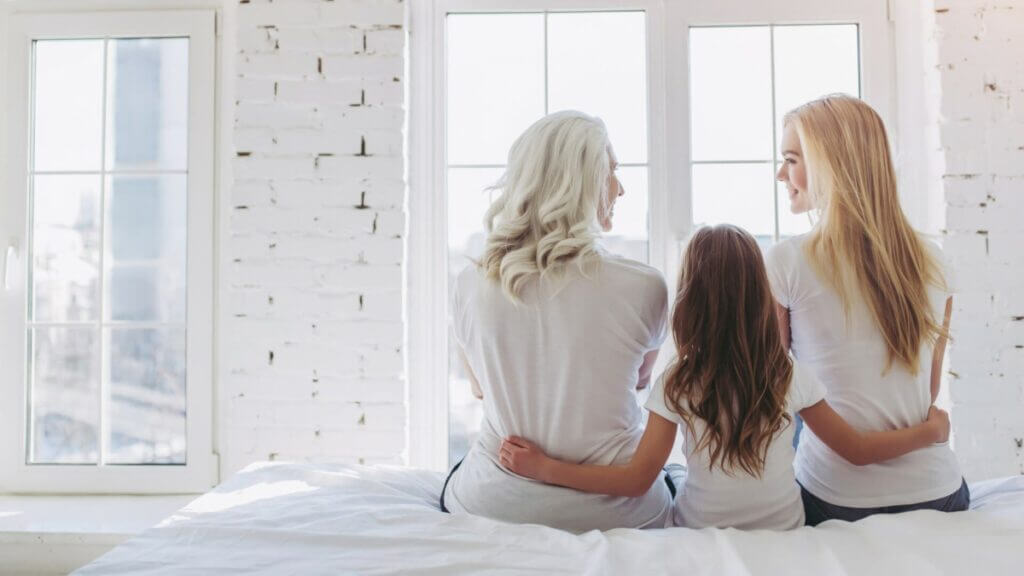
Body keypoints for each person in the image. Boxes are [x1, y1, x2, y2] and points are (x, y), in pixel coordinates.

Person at [499, 224, 950, 530]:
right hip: (784, 527)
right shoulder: (788, 374)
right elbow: (857, 450)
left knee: (672, 475)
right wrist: (930, 431)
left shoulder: (678, 382)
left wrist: (545, 467)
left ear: (690, 299)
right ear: (758, 292)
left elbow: (637, 480)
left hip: (700, 528)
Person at [441, 110, 675, 532]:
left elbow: (480, 389)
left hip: (492, 503)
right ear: (580, 182)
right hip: (620, 512)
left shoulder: (469, 283)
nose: (620, 190)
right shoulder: (645, 286)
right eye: (612, 172)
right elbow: (640, 381)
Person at [770, 94, 967, 525]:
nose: (781, 173)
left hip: (837, 499)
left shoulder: (787, 261)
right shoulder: (934, 260)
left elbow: (775, 388)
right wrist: (931, 433)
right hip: (940, 492)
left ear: (829, 164)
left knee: (798, 393)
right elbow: (926, 395)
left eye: (791, 159)